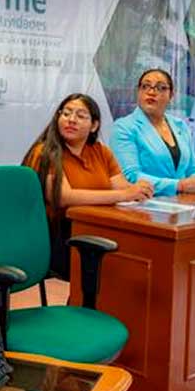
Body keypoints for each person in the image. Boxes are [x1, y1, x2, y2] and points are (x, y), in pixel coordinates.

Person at [24, 93, 153, 276]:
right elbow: (63, 197)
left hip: (96, 227)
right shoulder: (44, 152)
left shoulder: (100, 151)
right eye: (66, 113)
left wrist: (139, 189)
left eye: (80, 116)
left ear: (94, 125)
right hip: (59, 236)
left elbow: (121, 186)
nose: (71, 120)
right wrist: (125, 195)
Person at [109, 68, 195, 196]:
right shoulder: (124, 127)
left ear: (171, 95)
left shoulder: (180, 126)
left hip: (183, 203)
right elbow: (131, 176)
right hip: (144, 204)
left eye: (160, 88)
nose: (151, 92)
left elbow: (192, 169)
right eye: (145, 86)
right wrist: (180, 186)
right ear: (138, 92)